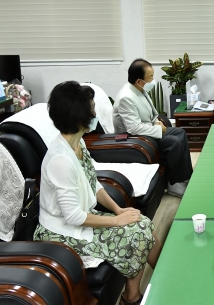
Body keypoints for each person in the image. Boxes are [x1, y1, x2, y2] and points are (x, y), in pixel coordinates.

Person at [34, 81, 161, 305]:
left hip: (79, 221)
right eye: (92, 108)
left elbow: (94, 183)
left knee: (142, 223)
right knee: (136, 232)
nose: (95, 113)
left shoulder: (78, 144)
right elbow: (73, 217)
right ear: (79, 116)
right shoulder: (60, 160)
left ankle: (157, 281)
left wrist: (118, 209)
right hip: (61, 233)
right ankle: (132, 297)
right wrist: (117, 221)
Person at [112, 58, 193, 197]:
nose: (153, 80)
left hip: (149, 129)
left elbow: (152, 113)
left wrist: (158, 122)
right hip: (136, 138)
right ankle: (173, 184)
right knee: (174, 143)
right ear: (139, 81)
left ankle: (184, 177)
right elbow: (133, 128)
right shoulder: (126, 97)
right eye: (150, 77)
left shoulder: (140, 89)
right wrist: (157, 129)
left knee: (180, 132)